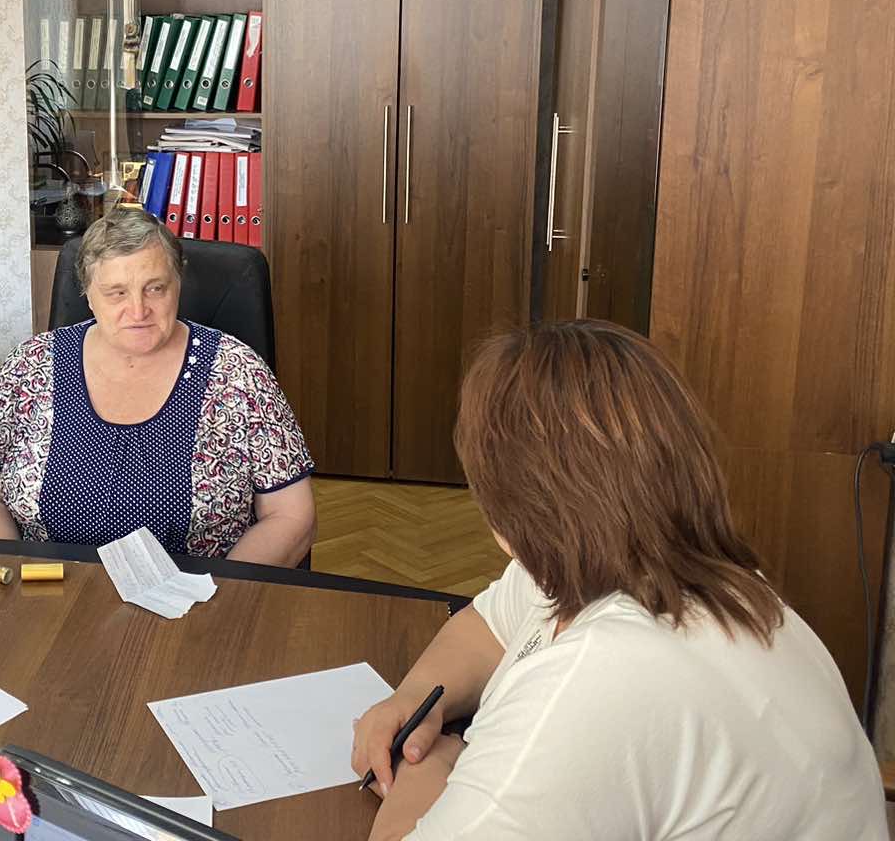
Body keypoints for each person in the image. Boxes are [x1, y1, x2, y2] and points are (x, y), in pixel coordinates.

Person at [351, 320, 885, 841]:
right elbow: (485, 627)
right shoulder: (683, 575)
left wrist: (431, 763)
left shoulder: (602, 676)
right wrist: (416, 699)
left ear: (505, 516)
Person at [0, 208, 315, 565]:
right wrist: (12, 576)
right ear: (88, 294)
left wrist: (218, 591)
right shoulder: (31, 364)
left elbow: (291, 515)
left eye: (155, 288)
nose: (138, 310)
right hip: (47, 586)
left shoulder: (238, 372)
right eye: (116, 292)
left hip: (201, 590)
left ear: (178, 284)